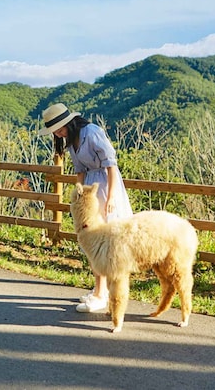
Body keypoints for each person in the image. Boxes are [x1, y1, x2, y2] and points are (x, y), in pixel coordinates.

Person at [38, 102, 134, 312]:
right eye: (56, 132)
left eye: (60, 129)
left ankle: (102, 293)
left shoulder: (92, 133)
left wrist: (110, 198)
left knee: (104, 240)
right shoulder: (71, 141)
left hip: (106, 184)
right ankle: (100, 290)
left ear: (69, 123)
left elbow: (111, 164)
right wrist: (78, 196)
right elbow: (79, 171)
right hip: (90, 189)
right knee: (91, 238)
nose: (59, 134)